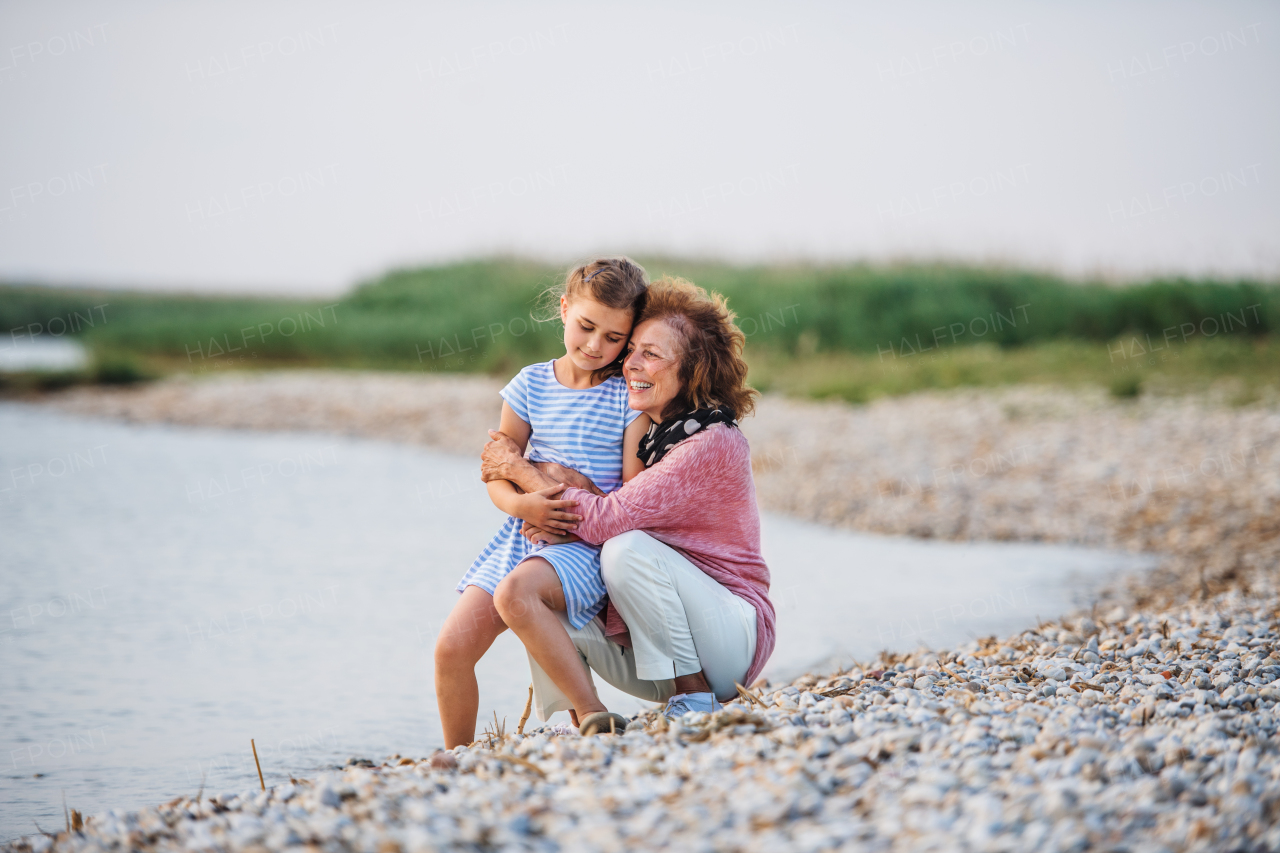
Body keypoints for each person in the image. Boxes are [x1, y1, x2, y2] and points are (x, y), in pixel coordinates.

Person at [481, 276, 775, 733]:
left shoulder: (711, 441)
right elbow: (618, 510)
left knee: (623, 550)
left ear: (691, 371)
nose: (629, 363)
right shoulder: (653, 434)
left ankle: (692, 694)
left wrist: (521, 470)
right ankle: (587, 717)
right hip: (659, 642)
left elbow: (611, 523)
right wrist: (579, 488)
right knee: (539, 589)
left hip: (730, 634)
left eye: (651, 354)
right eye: (632, 348)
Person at [434, 257, 652, 748]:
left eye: (614, 338)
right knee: (451, 649)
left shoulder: (626, 397)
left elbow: (632, 495)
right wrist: (522, 508)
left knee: (518, 595)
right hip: (519, 535)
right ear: (564, 309)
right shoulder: (530, 384)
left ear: (630, 336)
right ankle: (458, 757)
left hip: (583, 547)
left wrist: (572, 501)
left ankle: (592, 712)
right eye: (586, 327)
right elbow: (496, 468)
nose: (595, 346)